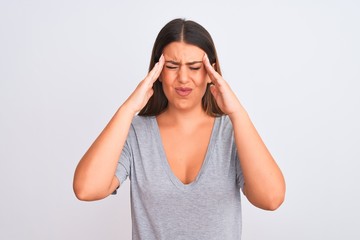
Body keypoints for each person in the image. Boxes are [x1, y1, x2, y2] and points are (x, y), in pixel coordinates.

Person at [73, 18, 285, 239]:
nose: (183, 78)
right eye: (172, 67)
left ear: (211, 72)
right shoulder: (136, 133)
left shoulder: (233, 133)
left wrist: (237, 113)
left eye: (194, 67)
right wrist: (128, 109)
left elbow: (271, 199)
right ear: (158, 71)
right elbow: (86, 189)